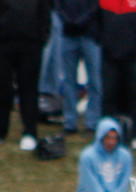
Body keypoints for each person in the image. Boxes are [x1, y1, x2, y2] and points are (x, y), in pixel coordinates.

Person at [99, 0, 136, 150]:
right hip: (110, 57)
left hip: (135, 57)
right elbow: (94, 21)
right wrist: (103, 40)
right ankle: (106, 134)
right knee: (108, 95)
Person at [0, 0, 51, 151]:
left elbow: (45, 14)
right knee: (3, 89)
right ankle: (1, 131)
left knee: (29, 90)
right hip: (3, 44)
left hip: (30, 45)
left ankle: (30, 132)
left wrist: (41, 38)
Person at [55, 0, 102, 136]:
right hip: (68, 34)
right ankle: (70, 123)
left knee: (95, 81)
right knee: (69, 81)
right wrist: (68, 20)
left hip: (90, 34)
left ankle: (92, 123)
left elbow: (96, 5)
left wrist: (82, 20)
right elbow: (57, 4)